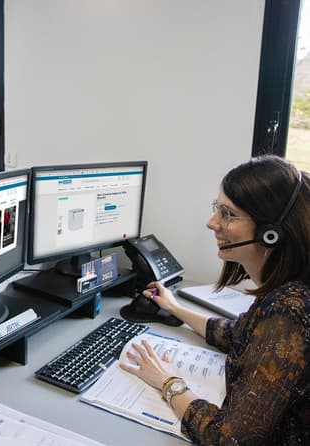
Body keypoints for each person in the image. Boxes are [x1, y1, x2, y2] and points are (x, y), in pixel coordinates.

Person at [121, 155, 309, 445]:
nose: (211, 223)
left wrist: (167, 381)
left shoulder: (289, 312)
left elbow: (227, 439)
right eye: (216, 208)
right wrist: (174, 307)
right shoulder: (284, 293)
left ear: (270, 234)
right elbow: (239, 335)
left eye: (227, 214)